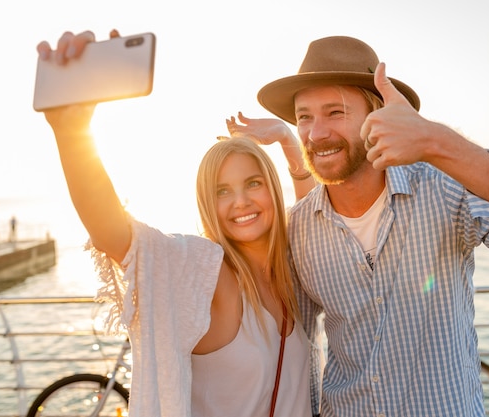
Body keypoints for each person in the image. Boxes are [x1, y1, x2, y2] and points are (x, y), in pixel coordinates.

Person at [228, 36, 489, 416]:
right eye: (304, 117)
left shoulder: (444, 189)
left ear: (378, 116)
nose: (316, 134)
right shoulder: (298, 228)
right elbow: (299, 346)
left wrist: (436, 141)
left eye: (335, 112)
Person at [36, 30, 314, 417]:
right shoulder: (208, 273)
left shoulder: (291, 269)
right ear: (207, 203)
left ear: (271, 188)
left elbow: (315, 210)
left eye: (253, 183)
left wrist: (288, 140)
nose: (241, 201)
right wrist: (71, 131)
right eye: (222, 191)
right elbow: (116, 235)